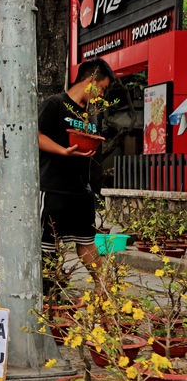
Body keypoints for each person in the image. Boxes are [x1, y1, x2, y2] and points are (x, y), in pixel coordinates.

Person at [38, 57, 115, 285]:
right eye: (102, 88)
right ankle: (49, 295)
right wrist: (63, 151)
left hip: (81, 190)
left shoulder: (92, 113)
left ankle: (104, 289)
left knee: (87, 241)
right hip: (53, 188)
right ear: (91, 80)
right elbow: (36, 135)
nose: (102, 95)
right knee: (47, 246)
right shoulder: (55, 104)